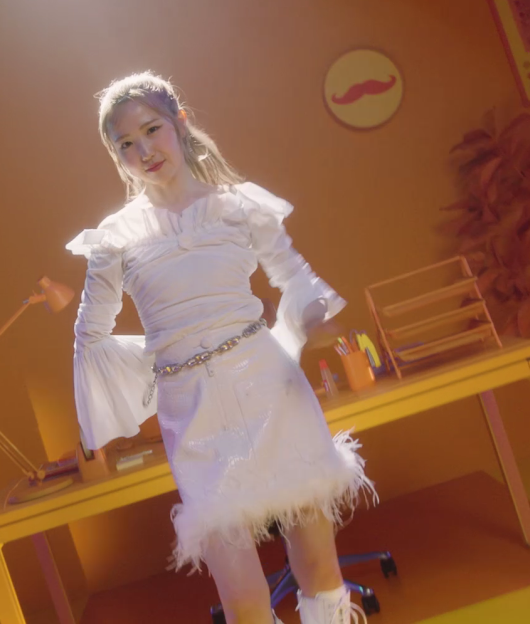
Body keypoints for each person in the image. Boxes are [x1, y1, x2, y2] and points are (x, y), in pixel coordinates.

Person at [66, 72, 375, 624]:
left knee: (320, 571)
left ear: (179, 123)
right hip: (193, 412)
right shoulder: (114, 238)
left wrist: (311, 320)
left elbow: (292, 275)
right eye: (125, 143)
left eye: (152, 129)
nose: (144, 150)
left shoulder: (240, 207)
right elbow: (90, 335)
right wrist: (160, 362)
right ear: (116, 156)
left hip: (272, 391)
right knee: (245, 603)